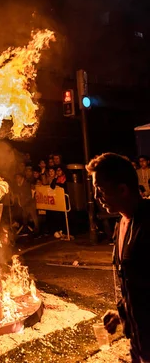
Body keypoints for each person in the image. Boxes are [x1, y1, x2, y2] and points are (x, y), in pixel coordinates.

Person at [87, 152, 150, 362]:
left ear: (123, 189)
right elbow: (133, 283)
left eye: (100, 190)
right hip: (138, 343)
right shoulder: (121, 225)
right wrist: (122, 314)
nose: (96, 197)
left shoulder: (148, 225)